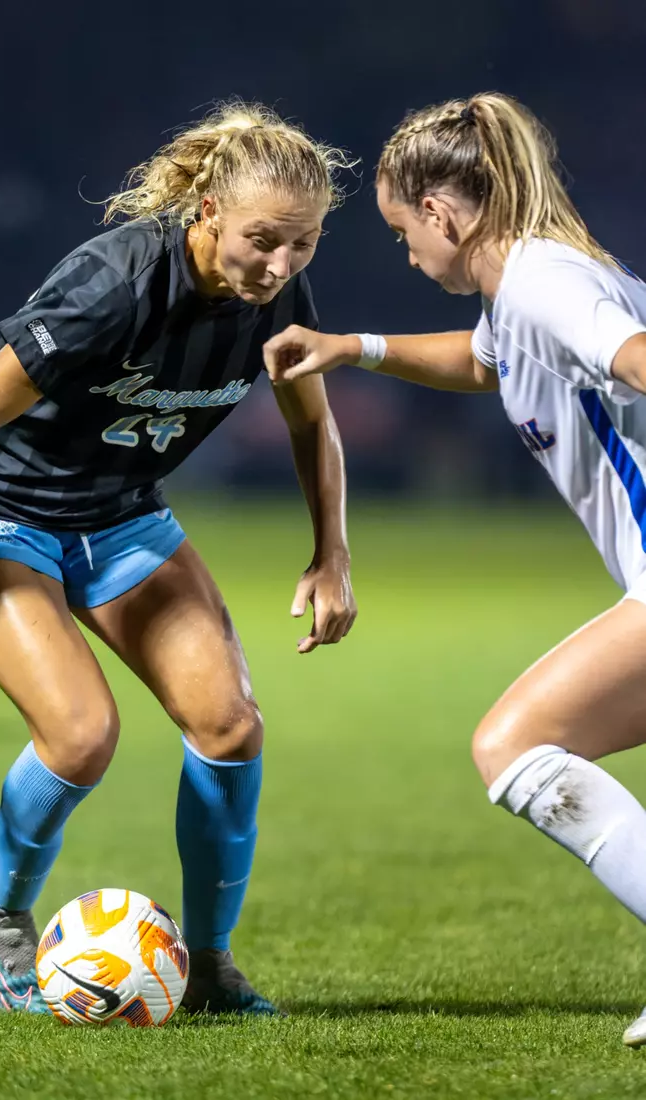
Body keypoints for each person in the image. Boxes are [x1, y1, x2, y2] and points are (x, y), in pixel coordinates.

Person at [0, 101, 357, 1018]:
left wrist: (331, 553)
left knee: (230, 726)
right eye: (263, 241)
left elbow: (313, 420)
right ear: (206, 213)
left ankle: (213, 966)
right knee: (79, 734)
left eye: (303, 244)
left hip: (118, 515)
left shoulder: (279, 296)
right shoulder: (115, 280)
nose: (280, 265)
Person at [263, 91, 646, 1046]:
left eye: (403, 232)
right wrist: (353, 349)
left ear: (443, 212)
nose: (407, 251)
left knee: (515, 744)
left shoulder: (545, 286)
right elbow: (489, 364)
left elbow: (638, 359)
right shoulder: (520, 294)